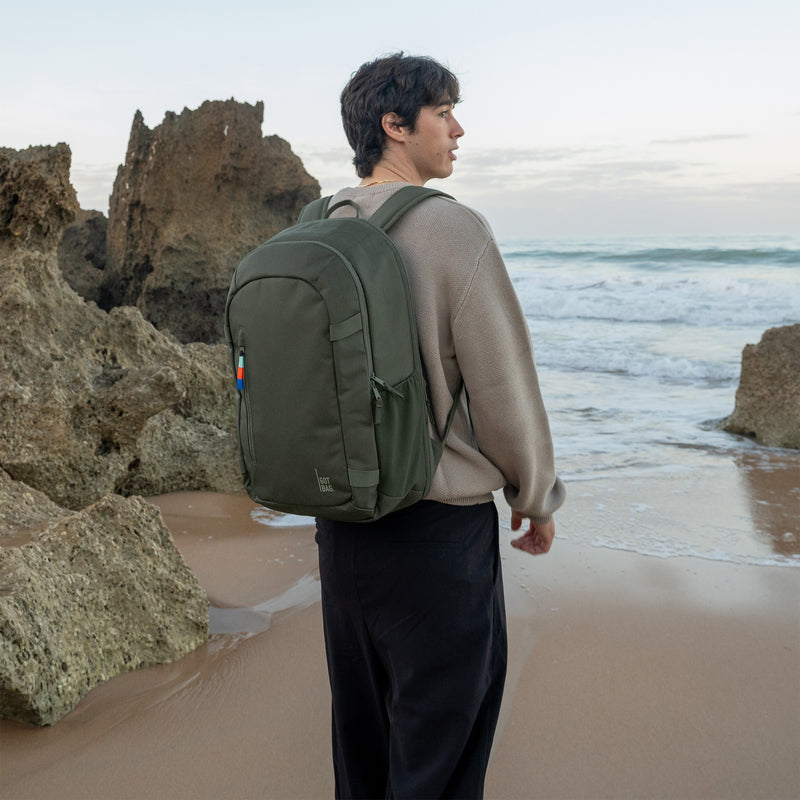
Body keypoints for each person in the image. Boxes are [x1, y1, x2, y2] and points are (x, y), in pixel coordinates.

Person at [314, 53, 566, 799]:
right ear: (395, 125)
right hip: (436, 539)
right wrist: (535, 493)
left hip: (342, 527)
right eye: (444, 112)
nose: (460, 128)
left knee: (363, 746)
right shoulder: (451, 230)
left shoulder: (319, 225)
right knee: (441, 759)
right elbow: (502, 385)